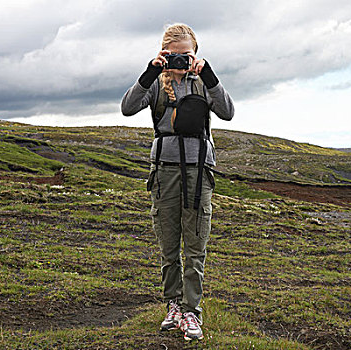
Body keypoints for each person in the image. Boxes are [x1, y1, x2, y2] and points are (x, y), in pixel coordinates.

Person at [121, 23, 234, 341]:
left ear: (196, 54)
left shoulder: (203, 83)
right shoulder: (157, 83)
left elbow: (227, 112)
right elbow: (128, 108)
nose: (180, 61)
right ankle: (173, 307)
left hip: (199, 173)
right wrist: (149, 72)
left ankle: (191, 313)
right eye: (174, 55)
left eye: (186, 55)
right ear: (163, 54)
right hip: (165, 173)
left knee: (195, 246)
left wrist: (208, 75)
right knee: (169, 246)